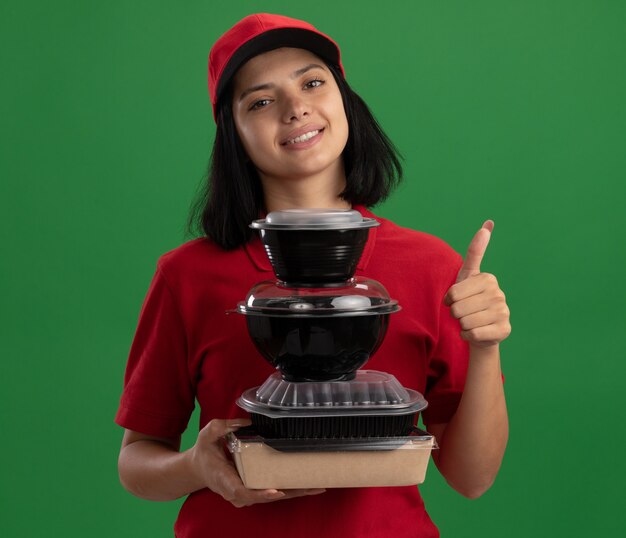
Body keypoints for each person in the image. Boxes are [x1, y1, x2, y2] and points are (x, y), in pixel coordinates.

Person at [115, 13, 510, 538]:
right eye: (260, 100)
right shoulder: (186, 275)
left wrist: (486, 347)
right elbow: (137, 461)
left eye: (312, 82)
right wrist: (195, 465)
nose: (295, 107)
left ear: (345, 102)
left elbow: (471, 478)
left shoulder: (431, 265)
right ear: (233, 134)